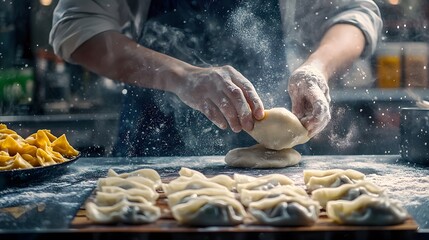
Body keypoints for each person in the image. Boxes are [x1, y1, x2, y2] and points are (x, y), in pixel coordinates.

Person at [49, 0, 382, 157]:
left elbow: (355, 13)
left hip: (275, 154)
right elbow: (77, 28)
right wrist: (182, 77)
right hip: (152, 145)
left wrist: (317, 69)